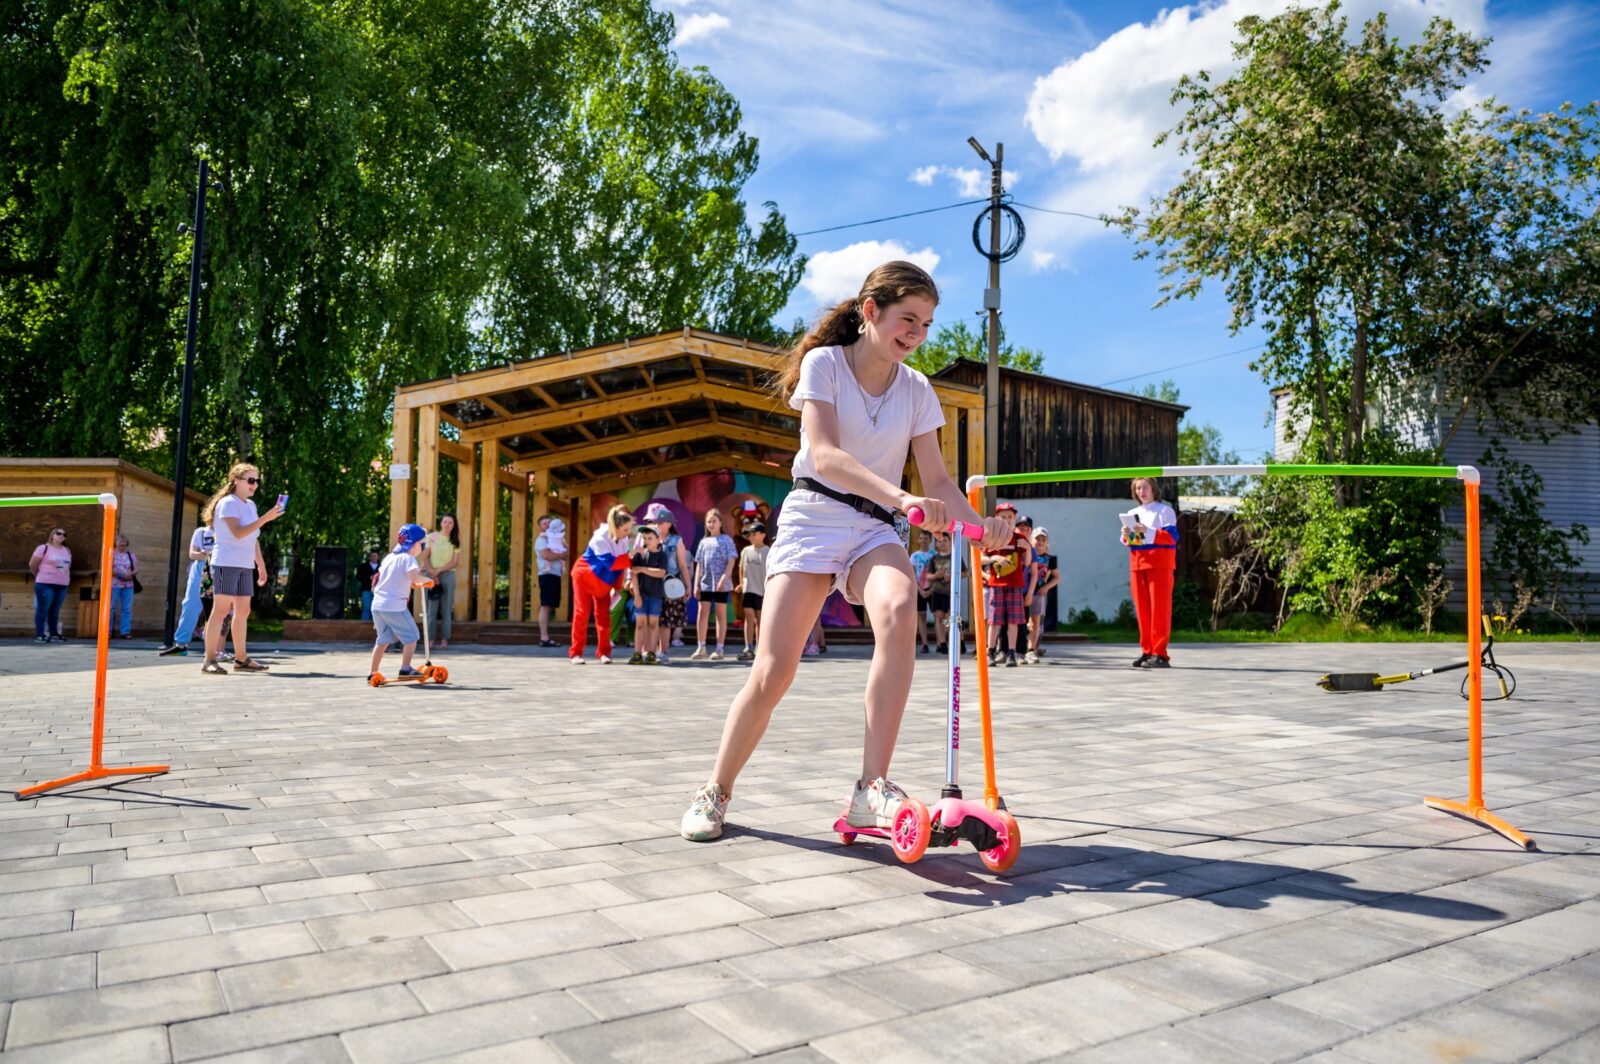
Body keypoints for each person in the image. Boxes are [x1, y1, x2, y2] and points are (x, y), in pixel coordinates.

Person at [679, 259, 1008, 842]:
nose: (917, 333)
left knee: (900, 607)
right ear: (871, 311)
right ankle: (716, 790)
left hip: (876, 528)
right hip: (815, 515)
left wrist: (983, 528)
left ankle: (870, 789)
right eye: (909, 318)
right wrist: (900, 496)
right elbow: (826, 455)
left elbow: (937, 481)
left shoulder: (917, 389)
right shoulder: (824, 364)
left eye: (927, 324)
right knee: (774, 671)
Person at [201, 462, 282, 675]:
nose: (254, 485)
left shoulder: (251, 505)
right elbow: (238, 532)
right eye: (251, 480)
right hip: (226, 562)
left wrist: (261, 565)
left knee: (243, 611)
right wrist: (266, 518)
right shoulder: (228, 503)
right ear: (236, 481)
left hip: (245, 564)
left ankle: (241, 659)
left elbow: (252, 537)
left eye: (256, 481)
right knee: (219, 611)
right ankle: (209, 660)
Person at [1123, 476, 1179, 668]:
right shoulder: (1132, 512)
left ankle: (1160, 653)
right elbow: (1133, 540)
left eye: (1145, 487)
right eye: (1138, 488)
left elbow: (1171, 537)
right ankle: (1147, 651)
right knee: (1143, 611)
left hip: (1160, 565)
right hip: (1138, 564)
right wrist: (1127, 535)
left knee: (1160, 610)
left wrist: (1149, 530)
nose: (1141, 491)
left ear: (1153, 489)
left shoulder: (1165, 511)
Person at [569, 505, 633, 664]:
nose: (628, 533)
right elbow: (612, 563)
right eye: (625, 529)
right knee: (582, 613)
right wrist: (632, 555)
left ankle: (604, 653)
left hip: (603, 581)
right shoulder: (600, 538)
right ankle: (576, 653)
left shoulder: (623, 538)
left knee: (604, 616)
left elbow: (621, 566)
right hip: (584, 577)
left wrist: (617, 588)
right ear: (616, 527)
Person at [370, 524, 433, 681]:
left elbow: (397, 579)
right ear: (415, 544)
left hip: (378, 605)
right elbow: (414, 578)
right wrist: (428, 581)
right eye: (422, 544)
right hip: (394, 606)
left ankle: (373, 672)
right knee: (412, 636)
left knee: (383, 639)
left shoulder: (389, 558)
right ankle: (405, 669)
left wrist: (414, 583)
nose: (422, 547)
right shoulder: (408, 559)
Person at [981, 502, 1032, 668]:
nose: (1007, 520)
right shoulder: (992, 536)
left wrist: (1029, 549)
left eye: (1010, 517)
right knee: (994, 620)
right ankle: (991, 651)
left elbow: (1028, 563)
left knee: (1014, 621)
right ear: (997, 518)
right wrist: (995, 558)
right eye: (1003, 517)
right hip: (997, 583)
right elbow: (981, 559)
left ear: (1014, 518)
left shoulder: (1019, 538)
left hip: (1015, 584)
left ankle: (1011, 652)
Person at [161, 524, 216, 655]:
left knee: (217, 608)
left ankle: (215, 648)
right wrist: (206, 554)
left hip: (220, 568)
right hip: (200, 569)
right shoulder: (201, 532)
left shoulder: (227, 529)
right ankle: (181, 644)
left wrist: (207, 554)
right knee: (190, 604)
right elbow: (192, 554)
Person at [689, 509, 737, 660]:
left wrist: (724, 577)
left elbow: (732, 560)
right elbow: (699, 565)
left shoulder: (727, 540)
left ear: (721, 523)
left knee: (720, 614)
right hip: (705, 584)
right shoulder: (703, 542)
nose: (711, 524)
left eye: (714, 521)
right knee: (702, 612)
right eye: (708, 521)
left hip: (721, 585)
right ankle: (701, 647)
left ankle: (719, 648)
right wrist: (696, 584)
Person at [646, 505, 691, 654]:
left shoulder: (676, 541)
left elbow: (683, 565)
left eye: (660, 522)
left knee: (665, 620)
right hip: (652, 582)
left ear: (669, 524)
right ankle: (649, 650)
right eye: (655, 522)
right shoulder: (651, 538)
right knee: (651, 618)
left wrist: (688, 586)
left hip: (670, 583)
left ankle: (663, 652)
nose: (657, 525)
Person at [921, 529, 967, 655]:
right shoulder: (934, 559)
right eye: (939, 541)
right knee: (939, 618)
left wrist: (951, 576)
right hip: (938, 591)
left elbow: (964, 573)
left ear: (949, 542)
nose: (942, 543)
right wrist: (936, 575)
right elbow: (928, 576)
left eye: (945, 540)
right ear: (936, 544)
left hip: (952, 592)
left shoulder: (955, 557)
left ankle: (960, 641)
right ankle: (942, 643)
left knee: (954, 618)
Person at [628, 524, 668, 664]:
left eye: (650, 538)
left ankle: (651, 652)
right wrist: (637, 595)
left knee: (653, 623)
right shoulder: (640, 555)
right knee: (640, 623)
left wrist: (643, 569)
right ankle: (637, 653)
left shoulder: (662, 555)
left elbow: (661, 573)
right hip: (642, 595)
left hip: (656, 595)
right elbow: (633, 573)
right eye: (644, 538)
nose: (646, 541)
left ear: (659, 539)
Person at [29, 526, 72, 643]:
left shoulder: (66, 550)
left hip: (62, 584)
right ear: (52, 535)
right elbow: (33, 565)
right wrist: (39, 576)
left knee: (55, 609)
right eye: (59, 533)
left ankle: (53, 633)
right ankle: (40, 635)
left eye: (64, 534)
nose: (62, 536)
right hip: (45, 583)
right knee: (42, 609)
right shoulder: (43, 548)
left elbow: (68, 566)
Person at [423, 515, 459, 649]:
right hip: (431, 575)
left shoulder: (455, 540)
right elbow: (425, 557)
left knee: (447, 609)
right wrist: (432, 572)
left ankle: (445, 639)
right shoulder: (431, 537)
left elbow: (455, 562)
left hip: (448, 575)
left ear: (453, 525)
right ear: (441, 523)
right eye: (445, 521)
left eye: (450, 522)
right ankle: (430, 640)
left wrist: (438, 571)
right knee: (431, 609)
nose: (447, 524)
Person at [1026, 527, 1060, 664]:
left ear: (1047, 543)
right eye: (1037, 539)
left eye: (1043, 539)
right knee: (1024, 623)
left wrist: (1046, 587)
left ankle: (1032, 649)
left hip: (1038, 593)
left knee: (1036, 623)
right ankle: (1022, 647)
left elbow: (1057, 577)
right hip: (1024, 591)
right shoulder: (1027, 555)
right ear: (1031, 540)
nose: (1040, 542)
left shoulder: (1049, 559)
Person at [736, 521, 769, 661]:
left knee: (760, 620)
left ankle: (759, 647)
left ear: (763, 535)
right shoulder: (746, 551)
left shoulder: (768, 551)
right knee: (749, 618)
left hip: (762, 590)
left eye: (754, 534)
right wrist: (741, 583)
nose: (751, 536)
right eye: (750, 534)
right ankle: (748, 646)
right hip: (748, 589)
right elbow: (741, 569)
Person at [535, 513, 567, 647]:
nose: (547, 525)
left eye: (549, 522)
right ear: (540, 527)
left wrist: (560, 554)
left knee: (550, 606)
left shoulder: (556, 538)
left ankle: (546, 636)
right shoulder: (541, 540)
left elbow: (567, 554)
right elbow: (546, 555)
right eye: (544, 524)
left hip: (555, 575)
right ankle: (544, 637)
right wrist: (560, 555)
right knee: (546, 605)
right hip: (546, 575)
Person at [909, 529, 935, 654]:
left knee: (938, 616)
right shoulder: (914, 556)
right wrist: (919, 589)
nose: (923, 541)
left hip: (932, 589)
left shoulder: (934, 555)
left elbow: (937, 574)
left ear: (930, 540)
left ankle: (941, 642)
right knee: (921, 616)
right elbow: (912, 574)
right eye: (921, 538)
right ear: (918, 540)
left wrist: (930, 589)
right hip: (919, 589)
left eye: (926, 538)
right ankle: (925, 643)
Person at [110, 534, 139, 639]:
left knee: (126, 609)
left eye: (124, 542)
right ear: (115, 543)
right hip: (114, 584)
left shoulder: (131, 555)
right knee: (111, 608)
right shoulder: (110, 554)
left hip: (128, 585)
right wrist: (120, 575)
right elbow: (107, 568)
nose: (122, 544)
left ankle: (125, 632)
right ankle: (108, 632)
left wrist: (130, 575)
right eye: (120, 542)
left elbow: (136, 568)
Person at [358, 548, 382, 621]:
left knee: (376, 608)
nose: (374, 557)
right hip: (367, 589)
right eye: (372, 556)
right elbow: (359, 577)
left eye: (375, 556)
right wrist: (369, 577)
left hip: (379, 591)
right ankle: (364, 624)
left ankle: (375, 624)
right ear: (369, 557)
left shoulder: (382, 566)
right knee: (366, 607)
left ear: (378, 557)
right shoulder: (363, 566)